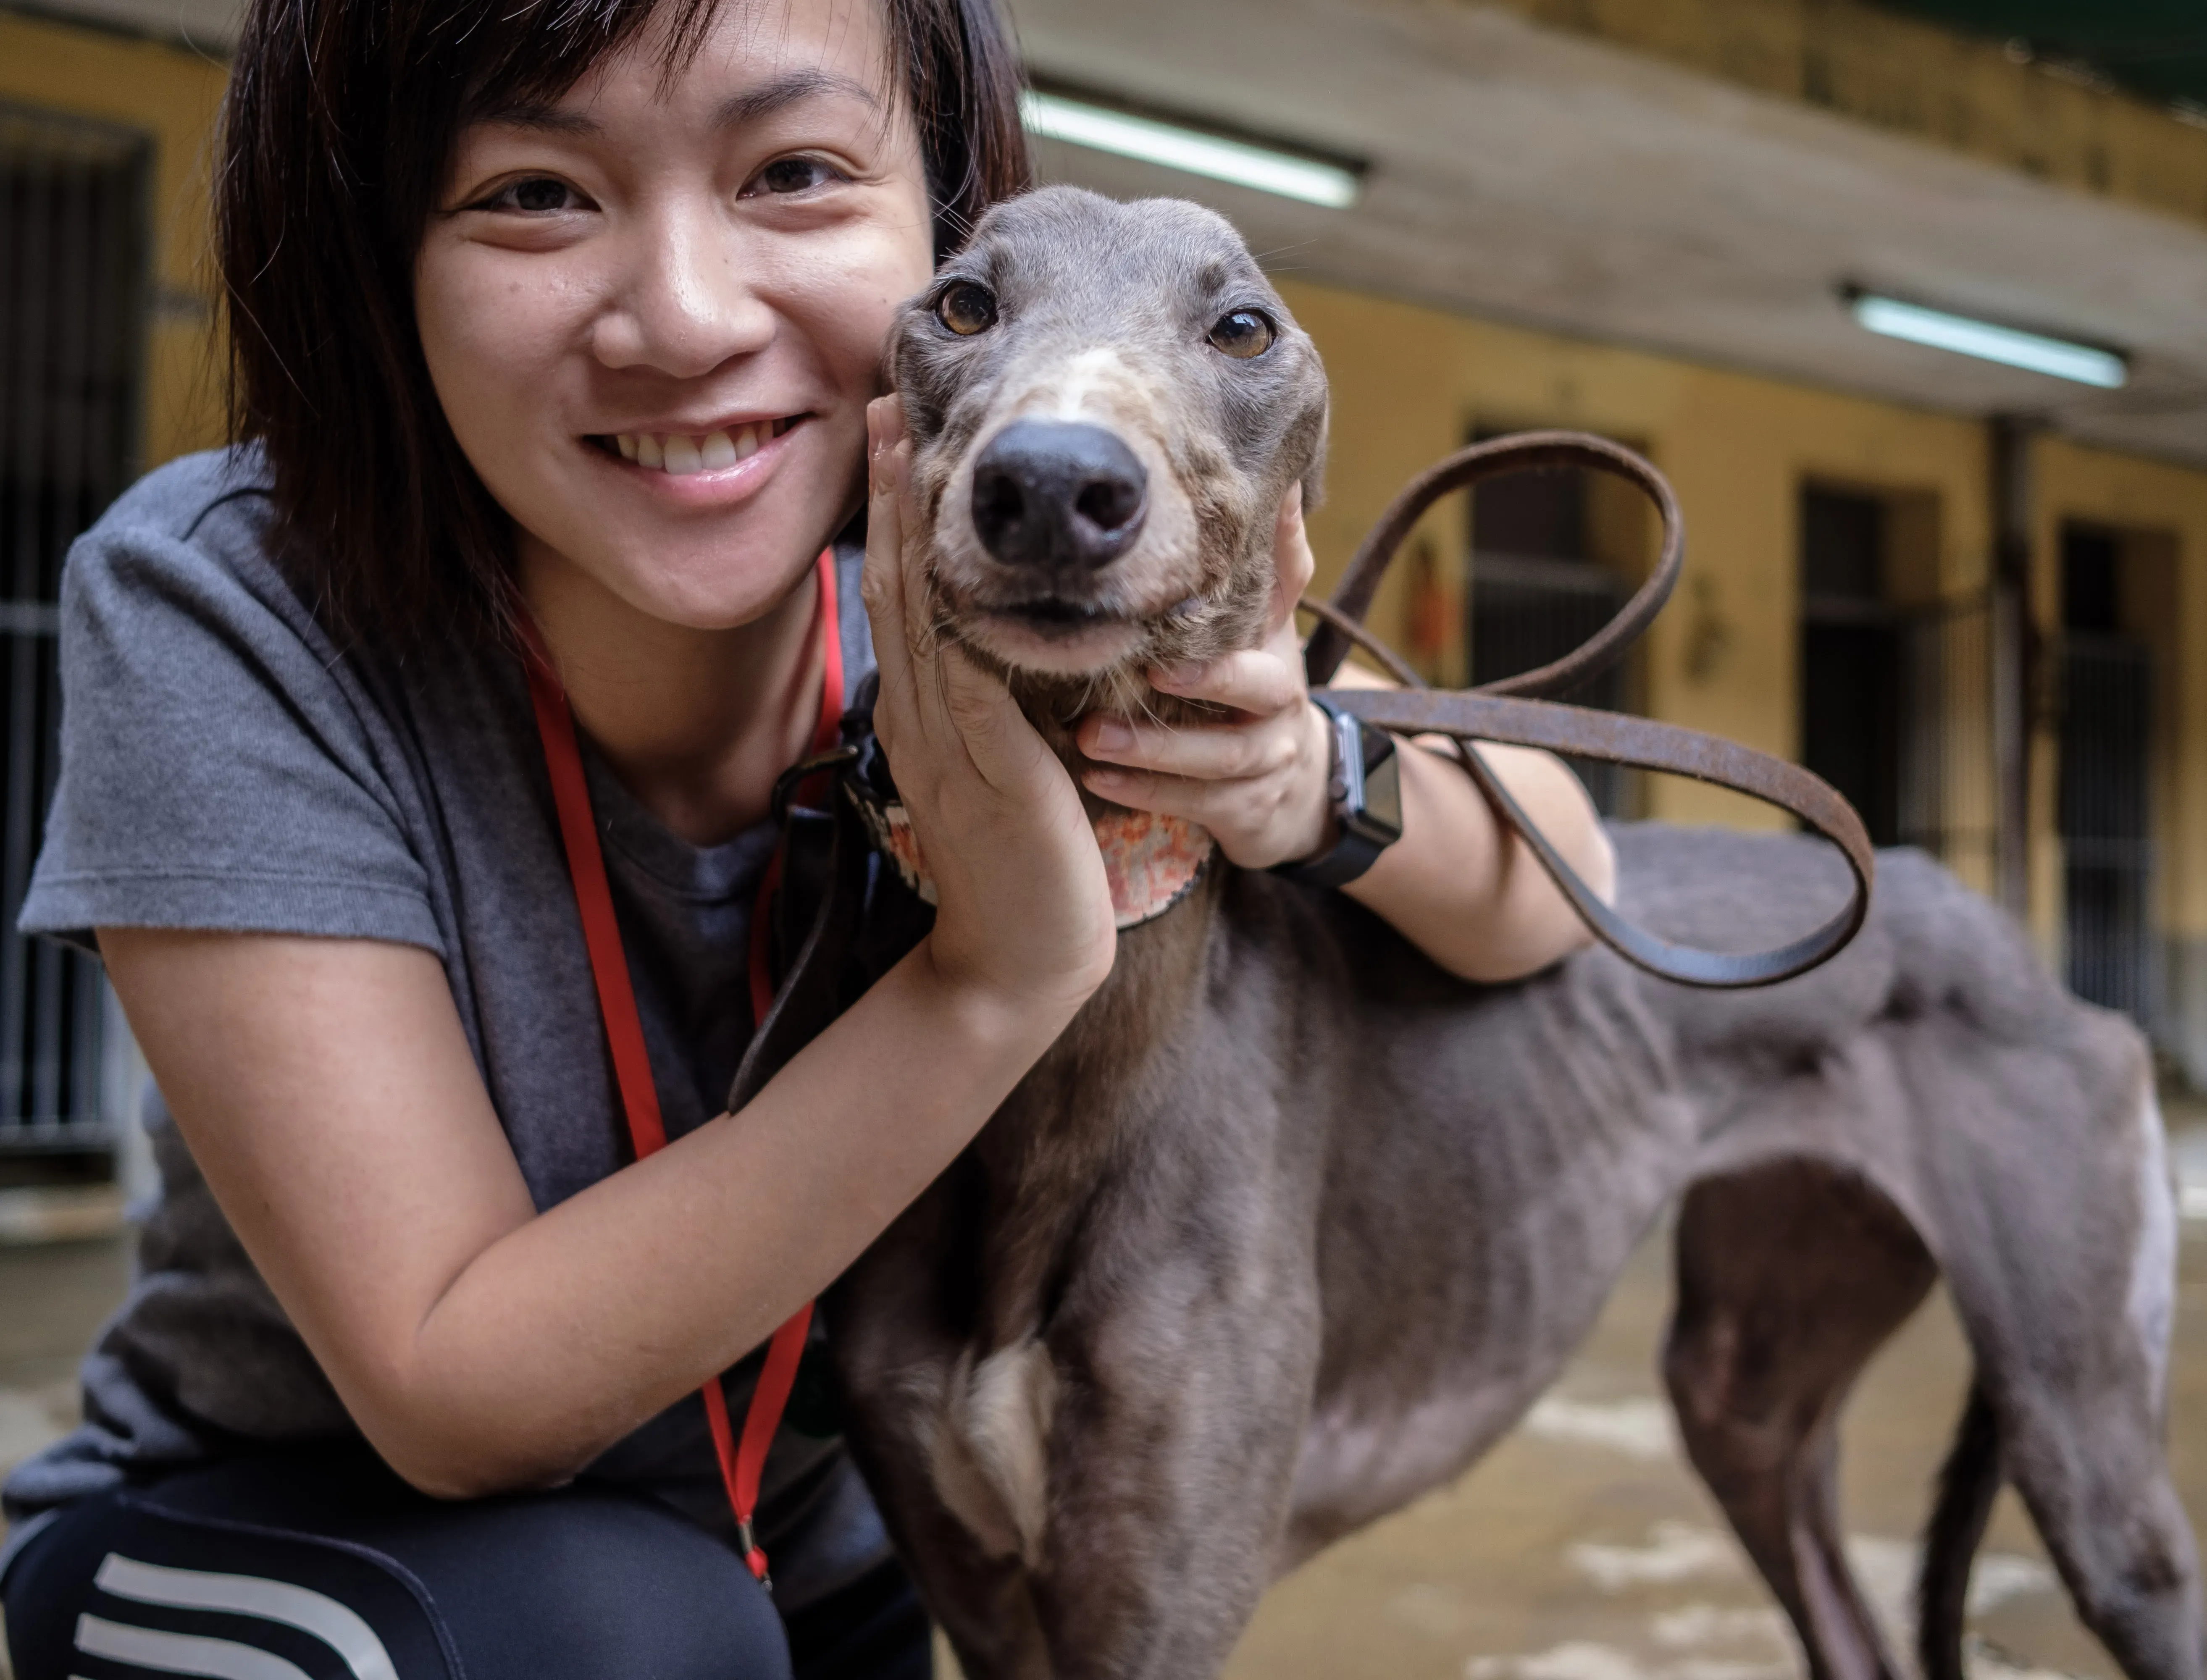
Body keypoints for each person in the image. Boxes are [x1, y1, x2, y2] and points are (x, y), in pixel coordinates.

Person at [0, 0, 1617, 1673]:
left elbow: (1563, 882)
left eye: (791, 170)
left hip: (803, 1560)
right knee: (617, 1627)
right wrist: (992, 977)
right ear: (374, 249)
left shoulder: (990, 577)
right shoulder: (231, 602)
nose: (687, 318)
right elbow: (451, 1393)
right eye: (537, 193)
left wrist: (1310, 786)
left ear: (937, 219)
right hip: (311, 1553)